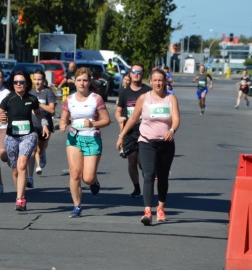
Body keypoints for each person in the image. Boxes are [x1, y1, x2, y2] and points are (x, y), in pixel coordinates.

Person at [116, 69, 180, 226]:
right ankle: (147, 212)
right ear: (150, 82)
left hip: (165, 144)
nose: (158, 83)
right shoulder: (144, 98)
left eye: (161, 80)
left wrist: (172, 130)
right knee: (148, 175)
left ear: (165, 81)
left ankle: (161, 208)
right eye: (155, 80)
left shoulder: (171, 98)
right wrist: (121, 135)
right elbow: (133, 118)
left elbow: (177, 119)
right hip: (146, 142)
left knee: (163, 177)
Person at [0, 70, 49, 211]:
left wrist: (44, 125)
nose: (19, 84)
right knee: (15, 170)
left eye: (22, 82)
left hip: (28, 136)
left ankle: (20, 199)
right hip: (12, 136)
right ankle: (21, 194)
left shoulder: (32, 99)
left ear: (26, 84)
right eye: (16, 82)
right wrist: (0, 118)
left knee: (22, 163)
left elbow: (39, 114)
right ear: (13, 84)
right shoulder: (9, 98)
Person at [59, 67, 111, 218]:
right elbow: (64, 118)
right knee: (75, 173)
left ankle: (94, 182)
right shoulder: (69, 99)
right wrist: (63, 124)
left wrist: (93, 124)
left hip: (92, 138)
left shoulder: (96, 99)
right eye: (79, 80)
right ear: (74, 82)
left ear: (89, 82)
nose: (82, 83)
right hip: (74, 138)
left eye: (85, 80)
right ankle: (77, 206)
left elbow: (107, 120)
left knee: (87, 177)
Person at [114, 63, 152, 197]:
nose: (136, 74)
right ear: (130, 73)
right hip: (130, 132)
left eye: (140, 72)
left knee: (143, 163)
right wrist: (119, 118)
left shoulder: (148, 91)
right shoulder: (124, 92)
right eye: (134, 71)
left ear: (143, 75)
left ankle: (149, 185)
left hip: (145, 131)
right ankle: (137, 188)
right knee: (132, 160)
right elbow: (118, 111)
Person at [27, 70, 56, 187]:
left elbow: (52, 110)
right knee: (32, 150)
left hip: (45, 125)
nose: (37, 82)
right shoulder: (30, 92)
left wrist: (38, 104)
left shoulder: (48, 93)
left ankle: (43, 154)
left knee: (40, 149)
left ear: (44, 81)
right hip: (32, 124)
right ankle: (31, 177)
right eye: (35, 79)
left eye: (39, 79)